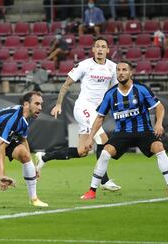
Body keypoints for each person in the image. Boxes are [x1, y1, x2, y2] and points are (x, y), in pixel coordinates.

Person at [80, 61, 168, 200]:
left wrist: (159, 123)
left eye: (124, 70)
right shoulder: (110, 94)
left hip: (144, 131)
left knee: (159, 147)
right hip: (122, 133)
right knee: (105, 153)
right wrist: (90, 137)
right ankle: (92, 191)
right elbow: (100, 117)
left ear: (130, 72)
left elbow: (159, 107)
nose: (121, 72)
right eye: (118, 70)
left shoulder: (141, 89)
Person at [35, 36, 121, 192]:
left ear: (108, 50)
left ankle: (45, 157)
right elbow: (66, 84)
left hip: (97, 111)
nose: (100, 49)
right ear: (93, 49)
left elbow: (117, 90)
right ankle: (104, 180)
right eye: (97, 46)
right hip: (83, 107)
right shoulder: (84, 65)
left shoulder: (113, 67)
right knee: (103, 139)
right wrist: (59, 104)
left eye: (103, 46)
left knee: (82, 151)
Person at [0, 92, 48, 207]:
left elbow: (23, 139)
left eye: (41, 104)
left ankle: (34, 199)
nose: (40, 108)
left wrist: (32, 165)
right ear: (26, 104)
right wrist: (2, 176)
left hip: (3, 141)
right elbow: (0, 147)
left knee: (23, 154)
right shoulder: (14, 118)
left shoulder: (26, 117)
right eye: (37, 104)